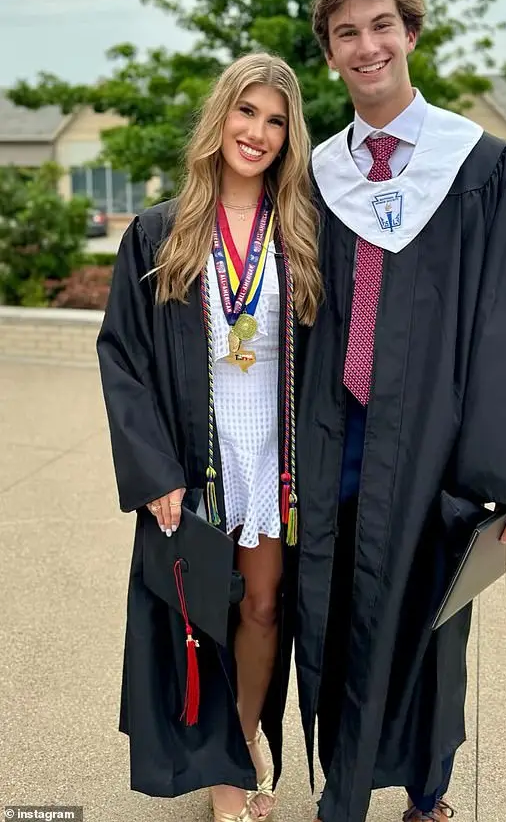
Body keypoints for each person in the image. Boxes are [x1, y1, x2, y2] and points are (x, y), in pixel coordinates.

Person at [294, 0, 506, 822]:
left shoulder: (480, 167)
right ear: (331, 55)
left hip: (436, 443)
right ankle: (342, 787)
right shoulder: (318, 174)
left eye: (381, 25)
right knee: (336, 612)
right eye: (347, 33)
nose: (367, 45)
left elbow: (505, 324)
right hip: (339, 435)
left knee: (429, 622)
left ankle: (425, 790)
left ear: (409, 33)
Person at [96, 52, 322, 822]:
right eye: (246, 111)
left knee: (262, 607)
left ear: (289, 138)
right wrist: (152, 467)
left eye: (275, 120)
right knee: (201, 612)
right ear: (219, 116)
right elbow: (121, 355)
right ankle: (230, 783)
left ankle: (244, 731)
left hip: (274, 455)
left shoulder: (299, 232)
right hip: (196, 454)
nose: (256, 132)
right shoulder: (162, 232)